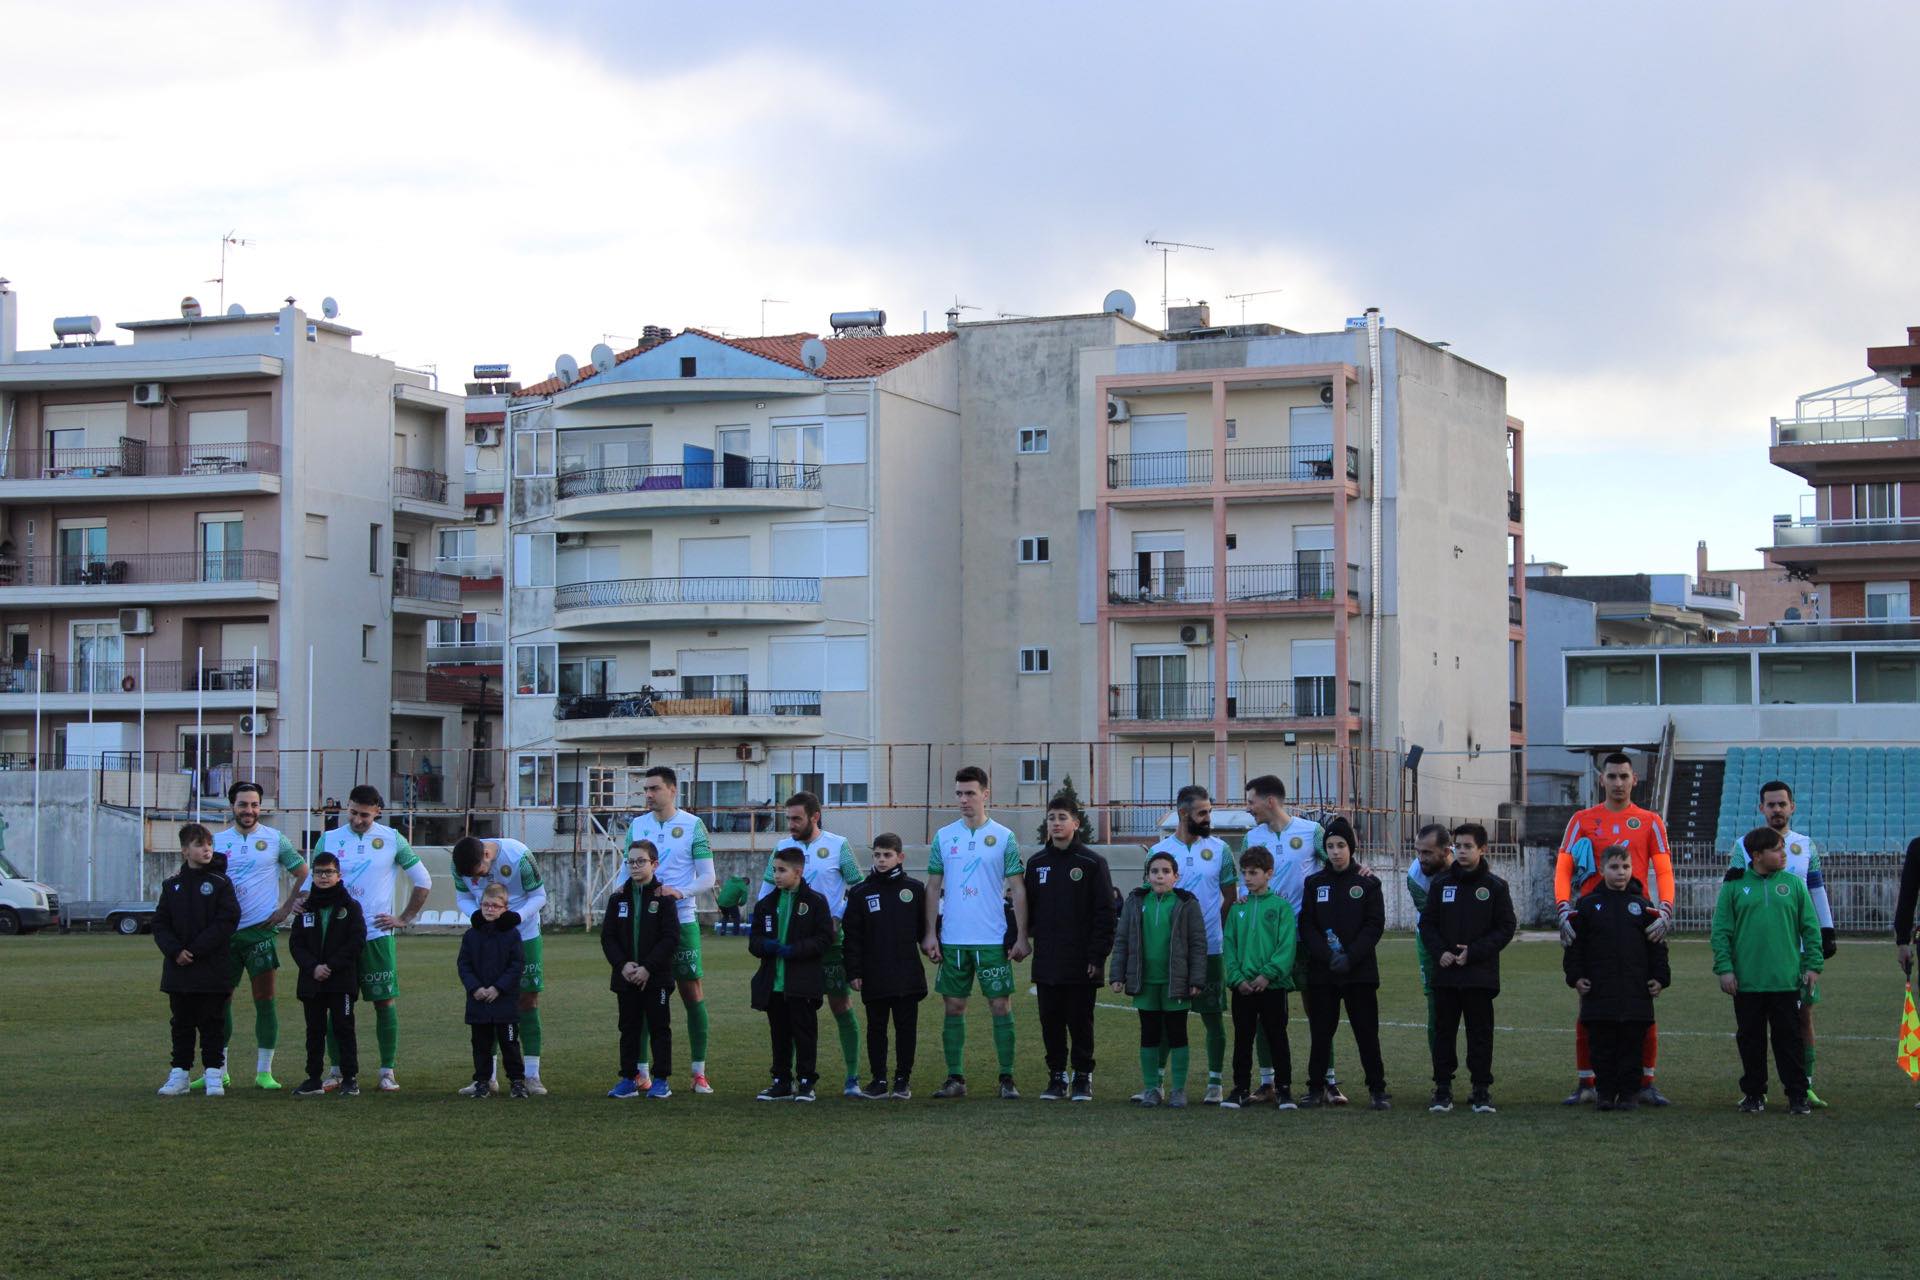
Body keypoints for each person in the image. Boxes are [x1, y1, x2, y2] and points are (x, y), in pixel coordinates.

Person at [1555, 751, 1675, 1106]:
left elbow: (1664, 870)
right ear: (1601, 779)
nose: (1618, 783)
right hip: (1591, 921)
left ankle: (1644, 1082)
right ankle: (1587, 1082)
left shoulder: (1650, 821)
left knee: (1643, 1004)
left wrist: (1665, 909)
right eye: (1612, 777)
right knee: (1588, 1001)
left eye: (1625, 776)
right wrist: (1564, 908)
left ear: (1634, 779)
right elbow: (1564, 868)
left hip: (1638, 918)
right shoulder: (1582, 819)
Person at [313, 785, 431, 1092]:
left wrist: (403, 918)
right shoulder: (329, 839)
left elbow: (423, 880)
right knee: (335, 1003)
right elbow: (313, 881)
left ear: (377, 811)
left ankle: (387, 1071)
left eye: (364, 814)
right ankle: (336, 1071)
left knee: (384, 1001)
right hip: (336, 937)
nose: (357, 819)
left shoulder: (392, 839)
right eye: (352, 812)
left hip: (377, 934)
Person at [921, 765, 1030, 1100]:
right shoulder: (943, 836)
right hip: (953, 938)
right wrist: (930, 933)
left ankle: (1007, 1079)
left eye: (970, 793)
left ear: (986, 794)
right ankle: (955, 1078)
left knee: (1000, 1005)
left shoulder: (1004, 836)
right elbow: (933, 886)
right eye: (959, 793)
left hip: (992, 938)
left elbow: (1018, 889)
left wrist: (1022, 935)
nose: (963, 800)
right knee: (953, 1006)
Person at [1728, 780, 1837, 1106]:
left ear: (1792, 807)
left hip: (1798, 949)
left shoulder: (1806, 846)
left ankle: (1805, 1083)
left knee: (1802, 1017)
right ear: (1761, 808)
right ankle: (1755, 1088)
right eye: (1770, 804)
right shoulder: (1744, 845)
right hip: (1761, 952)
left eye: (1782, 804)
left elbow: (1816, 889)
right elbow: (1732, 890)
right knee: (1755, 1022)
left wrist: (1827, 929)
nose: (1777, 810)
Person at [1244, 774, 1345, 1103]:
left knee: (1319, 1008)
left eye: (1251, 802)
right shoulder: (1252, 838)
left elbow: (1334, 863)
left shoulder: (1310, 831)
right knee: (1265, 1011)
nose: (1249, 809)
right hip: (1266, 939)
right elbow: (1247, 882)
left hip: (1306, 937)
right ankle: (1268, 1081)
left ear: (1269, 801)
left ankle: (1327, 1081)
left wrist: (1360, 871)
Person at [760, 792, 867, 1098]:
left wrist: (839, 917)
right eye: (788, 818)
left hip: (829, 944)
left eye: (796, 818)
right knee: (790, 1009)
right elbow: (766, 891)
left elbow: (857, 889)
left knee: (840, 1004)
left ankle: (852, 1077)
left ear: (814, 817)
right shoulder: (782, 848)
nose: (790, 825)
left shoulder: (838, 845)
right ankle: (789, 1079)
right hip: (791, 947)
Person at [1712, 825, 1822, 1115]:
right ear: (1757, 855)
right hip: (1747, 982)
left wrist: (1813, 966)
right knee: (1751, 1041)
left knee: (1789, 1041)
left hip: (1786, 980)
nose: (1783, 854)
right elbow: (1720, 931)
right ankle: (1753, 1095)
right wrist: (1725, 969)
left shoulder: (1794, 885)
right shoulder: (1734, 887)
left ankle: (1797, 1095)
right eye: (1777, 849)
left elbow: (1810, 929)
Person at [204, 780, 306, 1091]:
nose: (249, 810)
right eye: (243, 804)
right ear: (231, 806)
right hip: (224, 936)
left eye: (254, 805)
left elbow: (304, 873)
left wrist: (287, 906)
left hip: (260, 932)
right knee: (221, 1002)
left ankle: (264, 1072)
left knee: (265, 1001)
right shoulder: (217, 842)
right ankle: (219, 1070)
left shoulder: (275, 839)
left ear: (260, 807)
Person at [623, 766, 717, 1093]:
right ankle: (641, 1073)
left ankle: (698, 1072)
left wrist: (680, 892)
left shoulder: (693, 825)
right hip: (645, 925)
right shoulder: (637, 826)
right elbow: (626, 871)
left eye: (654, 789)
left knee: (692, 994)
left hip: (682, 919)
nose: (648, 795)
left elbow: (707, 877)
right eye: (645, 789)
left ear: (673, 790)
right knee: (643, 995)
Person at [1023, 792, 1117, 1102]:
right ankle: (1056, 1076)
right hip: (1048, 959)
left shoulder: (1092, 862)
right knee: (1050, 1020)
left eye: (1062, 818)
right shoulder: (1037, 864)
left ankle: (1082, 1076)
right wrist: (1020, 939)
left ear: (1075, 823)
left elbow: (1105, 913)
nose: (1056, 823)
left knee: (1080, 1019)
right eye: (1051, 818)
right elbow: (1027, 909)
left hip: (1081, 960)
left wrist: (1097, 955)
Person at [1562, 844, 1671, 1111]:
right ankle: (1606, 1094)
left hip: (1635, 992)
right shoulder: (1587, 906)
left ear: (1632, 870)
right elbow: (1574, 946)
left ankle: (1630, 1094)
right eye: (1614, 867)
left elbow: (1657, 946)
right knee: (1602, 1046)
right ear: (1602, 870)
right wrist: (1575, 977)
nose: (1620, 872)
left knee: (1632, 1045)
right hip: (1599, 992)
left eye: (1625, 867)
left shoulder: (1643, 906)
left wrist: (1660, 978)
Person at [1418, 822, 1515, 1115]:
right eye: (1457, 846)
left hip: (1479, 975)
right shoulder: (1441, 884)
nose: (1461, 851)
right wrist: (1442, 953)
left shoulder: (1495, 887)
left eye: (1467, 846)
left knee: (1480, 1034)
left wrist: (1474, 953)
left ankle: (1481, 1090)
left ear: (1482, 849)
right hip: (1446, 974)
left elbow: (1506, 927)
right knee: (1444, 1033)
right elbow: (1427, 924)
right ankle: (1443, 1089)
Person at [1149, 784, 1235, 1104]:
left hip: (1210, 950)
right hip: (1171, 953)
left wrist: (1214, 932)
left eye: (1210, 811)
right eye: (1203, 812)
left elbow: (1230, 897)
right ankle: (1156, 1083)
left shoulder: (1220, 850)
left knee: (1213, 1017)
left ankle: (1215, 1084)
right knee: (1168, 1020)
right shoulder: (1162, 853)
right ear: (1183, 813)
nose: (1208, 817)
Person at [1299, 816, 1390, 1110]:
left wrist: (1350, 957)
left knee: (1366, 1033)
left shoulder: (1368, 882)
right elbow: (1308, 925)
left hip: (1359, 972)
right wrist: (1328, 957)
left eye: (1340, 845)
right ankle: (1314, 1089)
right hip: (1323, 973)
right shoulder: (1314, 883)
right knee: (1321, 1034)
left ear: (1351, 847)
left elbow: (1374, 925)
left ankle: (1377, 1090)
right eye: (1330, 846)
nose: (1336, 851)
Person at [452, 835, 551, 1095]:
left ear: (487, 855)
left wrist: (516, 917)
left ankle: (531, 1075)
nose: (479, 879)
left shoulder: (519, 855)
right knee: (486, 1002)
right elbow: (462, 897)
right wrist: (474, 915)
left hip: (524, 933)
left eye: (480, 873)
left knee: (527, 1000)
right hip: (485, 937)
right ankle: (488, 1077)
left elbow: (539, 896)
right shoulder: (458, 861)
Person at [1109, 850, 1207, 1108]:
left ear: (1176, 876)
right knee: (1149, 1035)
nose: (1159, 876)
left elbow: (1197, 944)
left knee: (1177, 1035)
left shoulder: (1187, 904)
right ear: (1147, 876)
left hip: (1176, 982)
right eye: (1154, 871)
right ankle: (1152, 1088)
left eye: (1165, 871)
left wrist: (1196, 979)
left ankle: (1178, 1090)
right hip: (1145, 982)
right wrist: (1117, 975)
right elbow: (1121, 941)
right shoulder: (1135, 902)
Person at [153, 823, 240, 1097]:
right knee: (181, 1022)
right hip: (179, 969)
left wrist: (196, 950)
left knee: (212, 1021)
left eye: (209, 845)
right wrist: (176, 951)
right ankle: (179, 1074)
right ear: (184, 850)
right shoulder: (172, 885)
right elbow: (160, 923)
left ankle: (214, 1074)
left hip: (211, 967)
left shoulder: (220, 883)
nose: (206, 850)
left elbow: (227, 920)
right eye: (199, 844)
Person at [842, 833, 928, 1099]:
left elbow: (925, 929)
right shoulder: (860, 892)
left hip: (906, 972)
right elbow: (852, 936)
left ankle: (902, 1079)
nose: (881, 860)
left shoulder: (914, 889)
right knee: (876, 1028)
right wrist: (854, 971)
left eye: (887, 855)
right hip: (874, 972)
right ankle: (878, 1079)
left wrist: (932, 946)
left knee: (905, 1028)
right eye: (877, 855)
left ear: (900, 857)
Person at [749, 846, 835, 1102]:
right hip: (774, 984)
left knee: (805, 1033)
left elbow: (824, 939)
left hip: (803, 983)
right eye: (774, 870)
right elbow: (753, 941)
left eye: (781, 870)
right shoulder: (766, 904)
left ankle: (807, 1081)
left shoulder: (816, 902)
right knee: (780, 1034)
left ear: (798, 872)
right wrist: (766, 946)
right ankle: (781, 1081)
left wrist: (794, 950)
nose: (776, 875)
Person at [1221, 845, 1297, 1110]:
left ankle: (1284, 1090)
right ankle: (1240, 1088)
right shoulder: (1237, 909)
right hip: (1242, 988)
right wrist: (1236, 977)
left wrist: (1268, 975)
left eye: (1253, 873)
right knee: (1243, 1038)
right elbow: (1228, 946)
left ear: (1269, 873)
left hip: (1272, 987)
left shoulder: (1281, 907)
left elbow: (1286, 947)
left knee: (1277, 1037)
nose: (1247, 878)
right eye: (1244, 873)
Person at [601, 840, 678, 1100]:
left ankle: (661, 1080)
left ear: (654, 864)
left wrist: (647, 967)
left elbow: (670, 938)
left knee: (659, 1027)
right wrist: (622, 965)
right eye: (630, 861)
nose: (634, 866)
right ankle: (628, 1078)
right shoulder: (618, 898)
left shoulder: (664, 898)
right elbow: (608, 937)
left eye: (640, 861)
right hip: (626, 977)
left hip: (656, 977)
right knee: (629, 1027)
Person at [288, 851, 366, 1099]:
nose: (323, 877)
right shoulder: (305, 907)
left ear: (338, 875)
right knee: (314, 1030)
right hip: (312, 981)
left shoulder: (350, 907)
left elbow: (356, 941)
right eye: (319, 872)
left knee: (344, 1027)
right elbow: (296, 944)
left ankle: (350, 1078)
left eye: (328, 872)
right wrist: (313, 967)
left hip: (340, 980)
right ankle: (313, 1079)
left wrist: (330, 966)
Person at [457, 883, 528, 1099]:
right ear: (480, 906)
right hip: (478, 1001)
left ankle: (517, 1081)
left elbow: (516, 965)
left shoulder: (512, 935)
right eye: (486, 905)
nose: (490, 909)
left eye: (495, 906)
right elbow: (464, 965)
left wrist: (498, 988)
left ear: (505, 908)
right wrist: (475, 988)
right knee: (481, 1045)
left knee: (510, 1043)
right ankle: (482, 1082)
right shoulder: (471, 935)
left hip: (504, 1001)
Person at [1408, 824, 1453, 1062]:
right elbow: (1431, 922)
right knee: (1436, 1007)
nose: (1421, 859)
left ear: (1446, 852)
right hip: (1430, 942)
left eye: (1427, 853)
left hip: (1465, 941)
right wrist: (1442, 952)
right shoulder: (1415, 876)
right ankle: (1441, 1075)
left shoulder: (1464, 865)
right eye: (1418, 851)